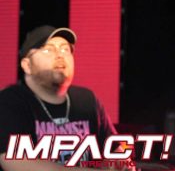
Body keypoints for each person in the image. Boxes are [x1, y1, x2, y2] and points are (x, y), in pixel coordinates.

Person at [0, 26, 118, 170]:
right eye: (48, 50)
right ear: (27, 65)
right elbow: (14, 162)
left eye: (65, 49)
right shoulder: (10, 101)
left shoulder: (87, 100)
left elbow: (116, 149)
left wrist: (119, 163)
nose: (60, 55)